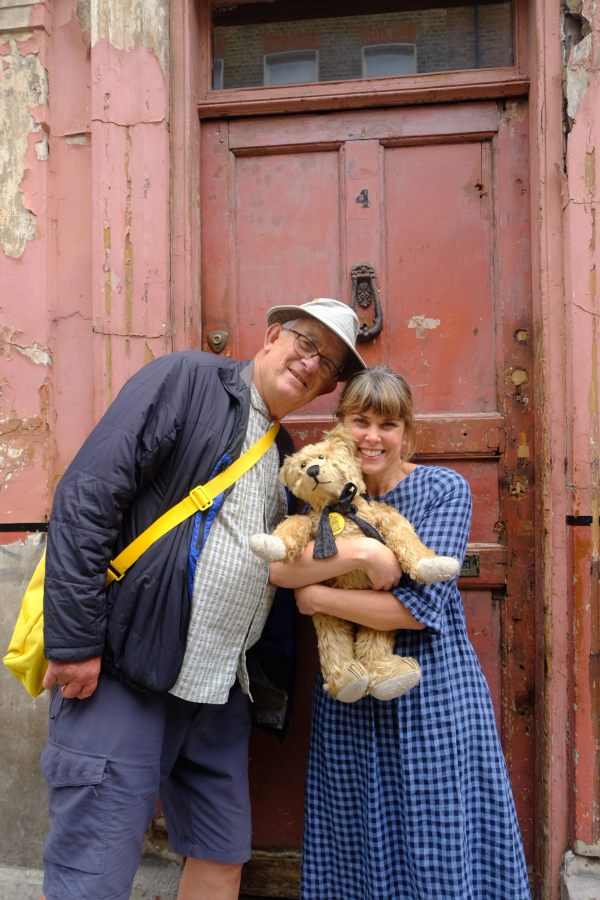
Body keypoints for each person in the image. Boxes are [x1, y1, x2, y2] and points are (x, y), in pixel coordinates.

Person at [38, 298, 366, 900]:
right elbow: (87, 496)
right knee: (93, 872)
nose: (311, 364)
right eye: (306, 343)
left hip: (219, 691)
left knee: (221, 858)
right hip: (125, 671)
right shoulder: (186, 380)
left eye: (329, 365)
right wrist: (75, 640)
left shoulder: (285, 451)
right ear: (273, 335)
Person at [269, 365, 531, 900]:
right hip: (351, 694)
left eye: (387, 424)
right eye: (361, 421)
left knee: (437, 837)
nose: (372, 437)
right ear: (341, 427)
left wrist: (318, 596)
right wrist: (365, 552)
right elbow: (280, 569)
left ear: (406, 433)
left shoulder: (442, 490)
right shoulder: (320, 496)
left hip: (429, 690)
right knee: (354, 836)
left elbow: (416, 609)